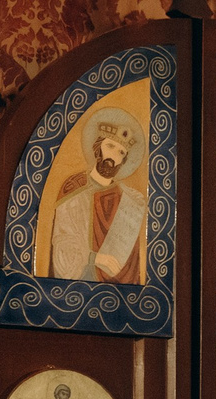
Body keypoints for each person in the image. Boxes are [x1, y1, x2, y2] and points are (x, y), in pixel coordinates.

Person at [46, 110, 145, 284]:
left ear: (124, 162)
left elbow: (131, 264)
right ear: (97, 147)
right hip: (78, 283)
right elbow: (63, 243)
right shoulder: (74, 188)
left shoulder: (128, 201)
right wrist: (93, 258)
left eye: (121, 153)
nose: (114, 156)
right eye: (110, 147)